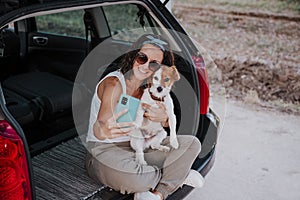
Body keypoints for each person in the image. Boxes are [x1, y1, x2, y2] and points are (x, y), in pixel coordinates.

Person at [85, 34, 204, 200]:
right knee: (137, 178)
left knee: (192, 144)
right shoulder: (114, 83)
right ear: (133, 56)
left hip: (139, 146)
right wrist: (103, 128)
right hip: (106, 151)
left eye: (154, 63)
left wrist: (164, 119)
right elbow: (102, 126)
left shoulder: (149, 89)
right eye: (142, 58)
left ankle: (158, 194)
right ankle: (177, 176)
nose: (146, 66)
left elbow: (159, 122)